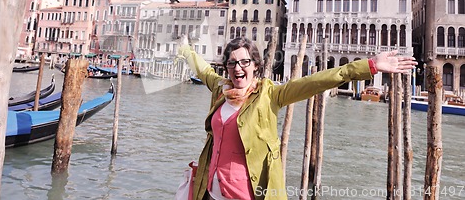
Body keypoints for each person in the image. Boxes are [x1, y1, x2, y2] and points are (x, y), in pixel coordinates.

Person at [177, 37, 417, 200]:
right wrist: (186, 49)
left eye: (244, 62)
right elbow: (203, 70)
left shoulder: (270, 95)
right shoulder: (221, 90)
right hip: (210, 190)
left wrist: (370, 66)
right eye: (232, 63)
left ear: (256, 66)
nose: (238, 67)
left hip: (246, 194)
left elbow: (316, 82)